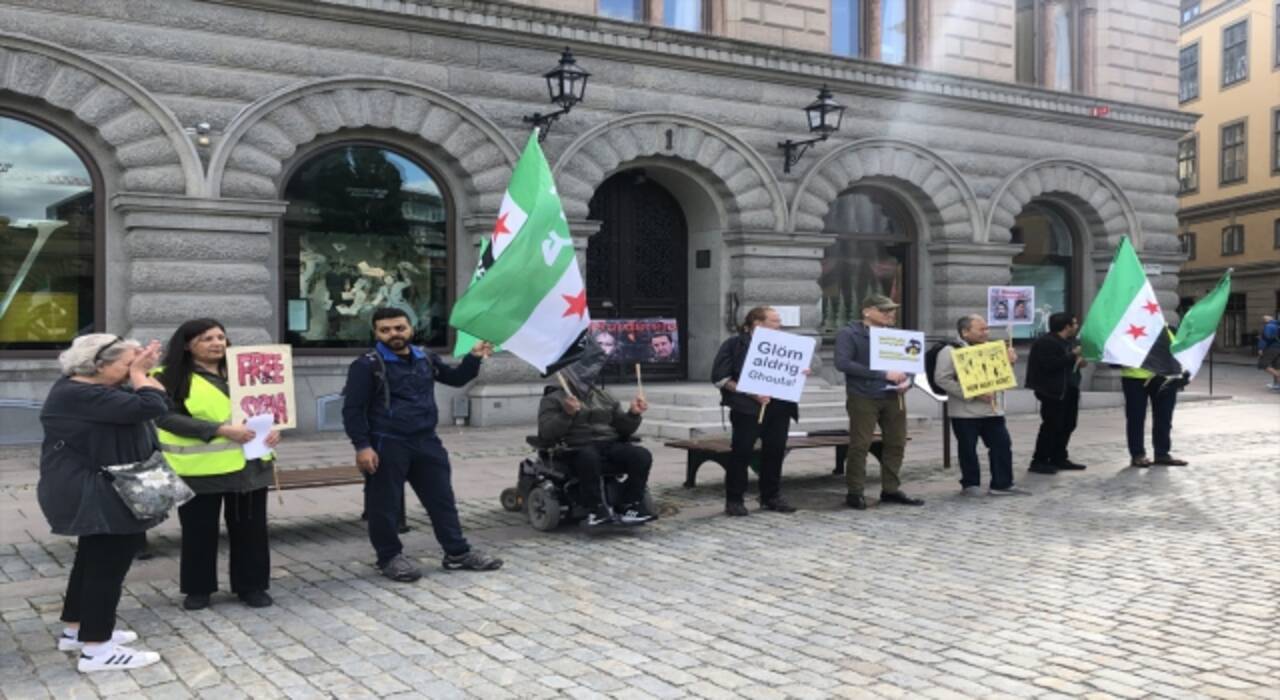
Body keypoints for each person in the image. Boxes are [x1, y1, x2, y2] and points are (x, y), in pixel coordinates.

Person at [342, 308, 503, 582]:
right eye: (386, 330)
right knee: (384, 505)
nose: (394, 334)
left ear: (410, 328)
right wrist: (362, 446)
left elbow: (455, 378)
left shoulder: (425, 357)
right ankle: (389, 557)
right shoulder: (367, 365)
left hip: (426, 441)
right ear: (376, 333)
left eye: (399, 328)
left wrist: (474, 357)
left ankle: (457, 553)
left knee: (442, 500)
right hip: (387, 443)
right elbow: (352, 410)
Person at [39, 334, 169, 672]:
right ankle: (98, 649)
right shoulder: (82, 394)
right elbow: (153, 405)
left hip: (93, 485)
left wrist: (138, 369)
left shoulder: (81, 390)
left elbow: (143, 401)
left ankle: (76, 629)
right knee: (107, 566)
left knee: (91, 559)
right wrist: (141, 376)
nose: (133, 370)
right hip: (94, 490)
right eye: (127, 364)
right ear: (98, 364)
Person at [153, 319, 280, 611]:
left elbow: (270, 406)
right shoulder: (166, 376)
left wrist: (276, 429)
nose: (217, 343)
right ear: (187, 344)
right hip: (200, 469)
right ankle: (198, 589)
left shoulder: (246, 372)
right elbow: (165, 417)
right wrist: (219, 430)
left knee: (251, 531)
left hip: (249, 466)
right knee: (199, 533)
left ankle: (252, 586)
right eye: (206, 338)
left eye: (221, 337)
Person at [538, 338, 654, 527]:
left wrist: (633, 414)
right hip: (575, 447)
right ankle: (595, 508)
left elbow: (622, 428)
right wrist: (567, 415)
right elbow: (547, 433)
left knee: (641, 455)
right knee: (588, 456)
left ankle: (630, 504)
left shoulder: (604, 396)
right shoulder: (554, 399)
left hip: (608, 444)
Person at [833, 294, 921, 510]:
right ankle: (855, 491)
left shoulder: (895, 335)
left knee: (896, 443)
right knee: (860, 445)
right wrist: (883, 375)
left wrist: (908, 381)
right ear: (867, 311)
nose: (890, 314)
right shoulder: (849, 333)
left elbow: (910, 362)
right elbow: (843, 363)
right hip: (863, 396)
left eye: (891, 310)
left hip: (894, 397)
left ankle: (890, 489)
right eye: (884, 310)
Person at [710, 306, 800, 516]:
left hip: (779, 407)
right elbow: (720, 378)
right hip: (747, 409)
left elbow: (790, 371)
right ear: (758, 324)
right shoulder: (735, 344)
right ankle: (734, 499)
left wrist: (800, 370)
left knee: (775, 452)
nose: (780, 325)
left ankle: (771, 496)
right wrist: (752, 393)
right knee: (741, 453)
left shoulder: (785, 344)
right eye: (775, 321)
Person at [934, 315, 1029, 496]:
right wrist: (972, 393)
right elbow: (942, 379)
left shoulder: (991, 348)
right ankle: (970, 484)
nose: (986, 332)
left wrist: (1009, 363)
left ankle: (1002, 483)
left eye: (987, 328)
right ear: (965, 332)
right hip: (966, 411)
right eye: (981, 329)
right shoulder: (949, 351)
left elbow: (999, 375)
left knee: (1002, 444)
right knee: (968, 448)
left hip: (992, 409)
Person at [1025, 312, 1087, 474]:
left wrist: (1079, 362)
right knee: (1052, 425)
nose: (1076, 326)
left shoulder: (1068, 342)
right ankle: (1039, 460)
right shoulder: (1046, 342)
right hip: (1053, 391)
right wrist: (1072, 355)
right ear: (1066, 326)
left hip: (1069, 389)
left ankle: (1059, 457)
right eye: (1074, 323)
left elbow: (1068, 363)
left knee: (1068, 424)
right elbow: (1050, 365)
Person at [1121, 330, 1188, 468]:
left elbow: (1177, 351)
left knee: (1164, 417)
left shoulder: (1166, 328)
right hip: (1135, 378)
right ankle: (1137, 454)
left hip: (1163, 377)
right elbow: (1116, 350)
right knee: (1136, 417)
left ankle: (1162, 453)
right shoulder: (1128, 326)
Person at [1258, 314, 1280, 390]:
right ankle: (1277, 384)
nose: (1263, 320)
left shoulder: (1269, 326)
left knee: (1263, 364)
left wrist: (1261, 348)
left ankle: (1278, 376)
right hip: (1278, 347)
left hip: (1272, 347)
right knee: (1276, 365)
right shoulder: (1277, 325)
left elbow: (1265, 338)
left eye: (1264, 319)